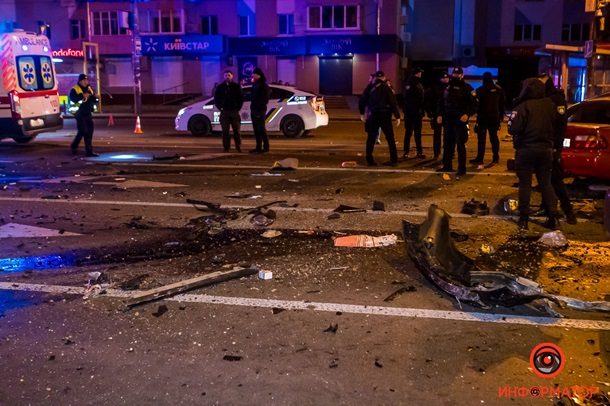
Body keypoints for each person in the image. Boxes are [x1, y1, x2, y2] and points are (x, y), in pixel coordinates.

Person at [507, 78, 561, 231]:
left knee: (525, 184)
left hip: (526, 149)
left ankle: (524, 218)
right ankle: (554, 217)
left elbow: (513, 129)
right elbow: (557, 124)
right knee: (546, 184)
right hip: (546, 150)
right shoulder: (550, 105)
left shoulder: (523, 106)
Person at [537, 73, 577, 224]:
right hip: (544, 144)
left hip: (553, 145)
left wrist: (556, 147)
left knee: (556, 179)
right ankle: (546, 206)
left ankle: (568, 211)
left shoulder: (557, 98)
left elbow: (560, 125)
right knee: (544, 178)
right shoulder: (543, 97)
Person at [436, 67, 478, 175]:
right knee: (447, 144)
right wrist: (439, 114)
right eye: (454, 74)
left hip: (459, 120)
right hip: (448, 118)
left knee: (460, 144)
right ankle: (447, 165)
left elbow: (474, 104)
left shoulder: (467, 87)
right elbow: (441, 102)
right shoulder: (448, 87)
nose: (456, 76)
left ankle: (461, 168)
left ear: (462, 75)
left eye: (458, 74)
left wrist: (467, 114)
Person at [358, 71, 401, 167]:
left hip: (373, 114)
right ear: (384, 78)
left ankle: (369, 160)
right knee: (390, 138)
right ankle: (394, 160)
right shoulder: (387, 88)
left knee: (371, 137)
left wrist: (362, 113)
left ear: (375, 78)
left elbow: (362, 101)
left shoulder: (370, 87)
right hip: (385, 115)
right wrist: (397, 116)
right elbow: (393, 102)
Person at [470, 72, 505, 165]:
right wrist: (501, 116)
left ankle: (480, 158)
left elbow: (475, 104)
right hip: (494, 117)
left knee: (481, 138)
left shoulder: (480, 90)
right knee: (494, 137)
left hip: (483, 117)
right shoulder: (499, 89)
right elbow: (502, 104)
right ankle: (495, 157)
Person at [214, 70, 244, 153]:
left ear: (232, 76)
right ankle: (226, 147)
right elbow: (216, 99)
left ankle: (238, 147)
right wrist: (220, 108)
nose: (227, 77)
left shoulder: (236, 86)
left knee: (236, 131)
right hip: (225, 112)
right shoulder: (220, 87)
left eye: (229, 75)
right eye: (226, 75)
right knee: (225, 131)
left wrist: (237, 108)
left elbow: (241, 98)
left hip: (234, 111)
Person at [69, 74, 99, 157]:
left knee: (89, 132)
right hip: (79, 113)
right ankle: (74, 146)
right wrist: (82, 96)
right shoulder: (75, 89)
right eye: (83, 80)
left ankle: (89, 151)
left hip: (88, 113)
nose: (85, 82)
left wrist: (96, 97)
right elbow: (73, 99)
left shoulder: (89, 89)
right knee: (84, 131)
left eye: (86, 80)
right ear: (80, 81)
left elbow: (94, 100)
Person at [424, 72, 450, 159]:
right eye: (443, 78)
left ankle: (448, 151)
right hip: (437, 113)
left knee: (448, 134)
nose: (445, 79)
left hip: (448, 114)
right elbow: (428, 101)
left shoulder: (451, 87)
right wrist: (430, 113)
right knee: (437, 133)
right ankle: (436, 152)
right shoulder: (435, 88)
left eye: (446, 78)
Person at [402, 67, 426, 159]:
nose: (421, 74)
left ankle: (419, 151)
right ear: (417, 73)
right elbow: (408, 99)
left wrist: (421, 110)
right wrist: (414, 110)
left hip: (417, 112)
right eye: (420, 72)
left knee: (417, 132)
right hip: (411, 112)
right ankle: (406, 151)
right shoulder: (410, 83)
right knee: (409, 132)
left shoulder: (417, 83)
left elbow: (421, 99)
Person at [249, 67, 270, 153]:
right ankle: (258, 146)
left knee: (261, 128)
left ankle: (266, 147)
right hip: (254, 109)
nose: (252, 75)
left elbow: (265, 99)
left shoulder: (263, 85)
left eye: (254, 74)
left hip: (260, 110)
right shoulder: (255, 84)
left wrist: (259, 108)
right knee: (256, 129)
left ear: (258, 75)